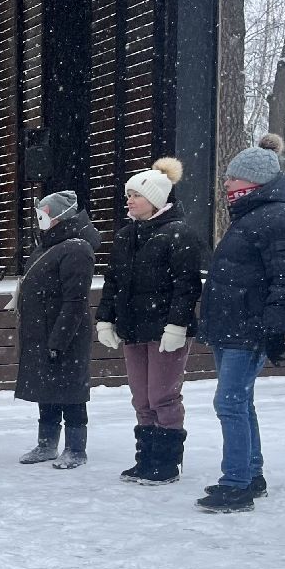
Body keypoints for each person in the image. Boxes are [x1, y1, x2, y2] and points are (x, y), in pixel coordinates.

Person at [196, 134, 285, 514]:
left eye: (232, 178)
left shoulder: (278, 217)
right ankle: (251, 475)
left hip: (248, 329)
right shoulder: (250, 215)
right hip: (231, 326)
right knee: (240, 403)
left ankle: (236, 485)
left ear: (254, 181)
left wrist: (274, 328)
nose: (226, 184)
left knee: (229, 403)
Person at [95, 157, 204, 485]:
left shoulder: (179, 234)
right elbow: (112, 281)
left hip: (165, 330)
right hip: (133, 329)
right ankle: (146, 459)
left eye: (136, 195)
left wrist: (177, 325)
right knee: (141, 397)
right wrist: (105, 320)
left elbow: (187, 286)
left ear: (156, 199)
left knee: (162, 396)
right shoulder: (127, 235)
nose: (129, 199)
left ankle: (168, 463)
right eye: (128, 194)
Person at [13, 190, 102, 471]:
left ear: (59, 218)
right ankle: (47, 443)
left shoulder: (76, 249)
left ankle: (76, 448)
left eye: (44, 214)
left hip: (65, 335)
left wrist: (59, 340)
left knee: (71, 393)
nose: (39, 220)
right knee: (47, 389)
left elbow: (75, 301)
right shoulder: (50, 245)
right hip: (42, 330)